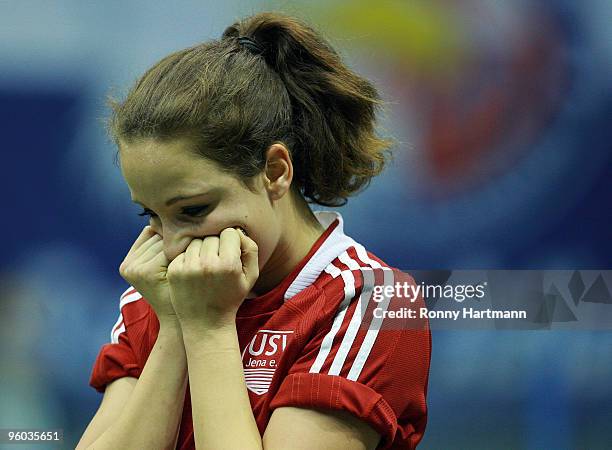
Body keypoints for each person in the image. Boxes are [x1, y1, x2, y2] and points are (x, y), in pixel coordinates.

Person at [76, 11, 431, 450]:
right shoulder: (159, 295)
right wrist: (175, 328)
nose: (170, 244)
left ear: (275, 172)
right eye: (149, 215)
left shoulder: (371, 302)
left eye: (193, 209)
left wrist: (207, 329)